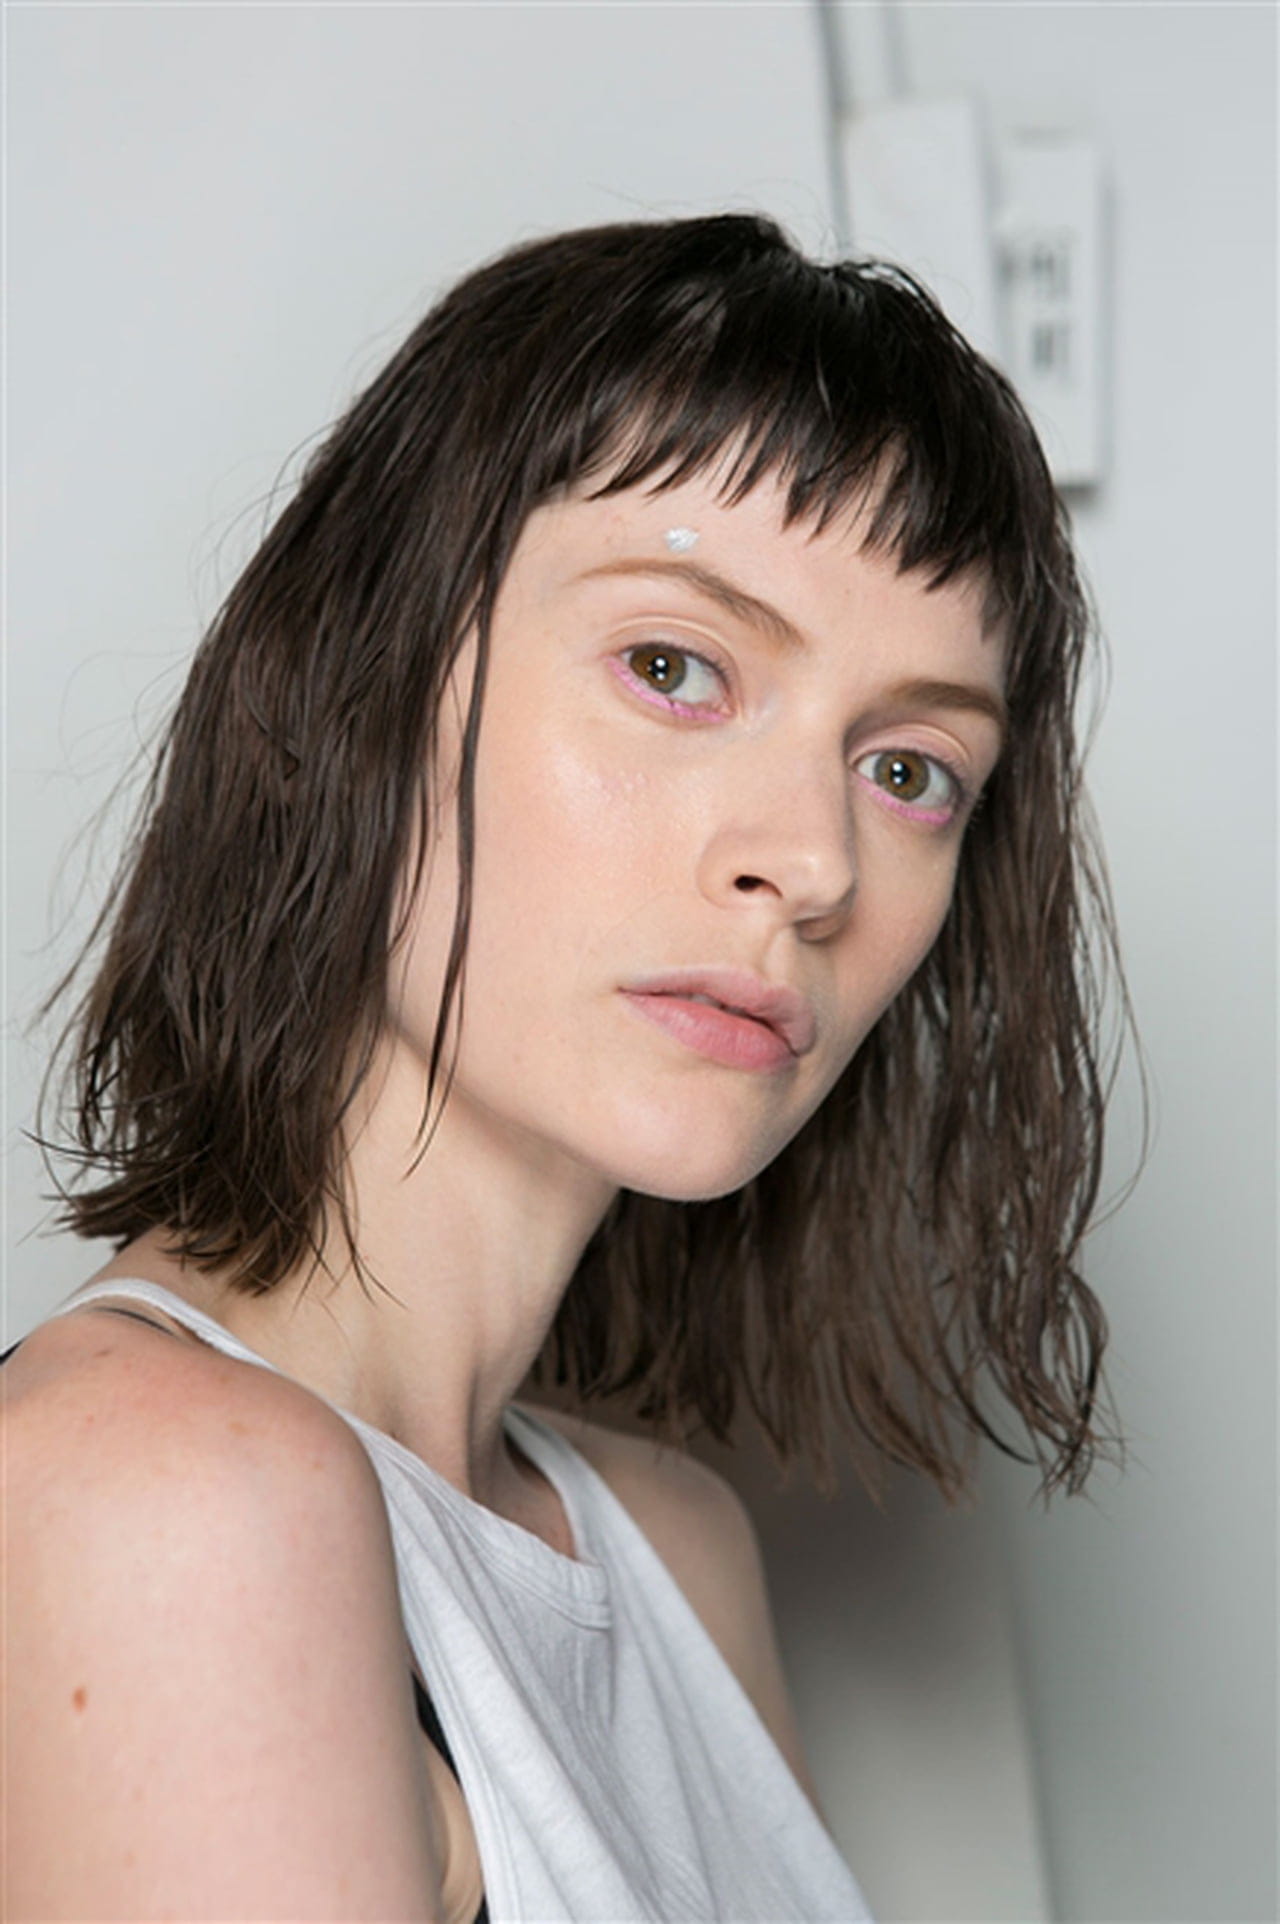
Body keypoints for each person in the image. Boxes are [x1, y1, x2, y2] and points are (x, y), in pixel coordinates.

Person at [2, 212, 1121, 1923]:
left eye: (909, 770)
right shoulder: (161, 1497)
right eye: (675, 668)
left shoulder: (670, 1550)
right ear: (355, 685)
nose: (814, 863)